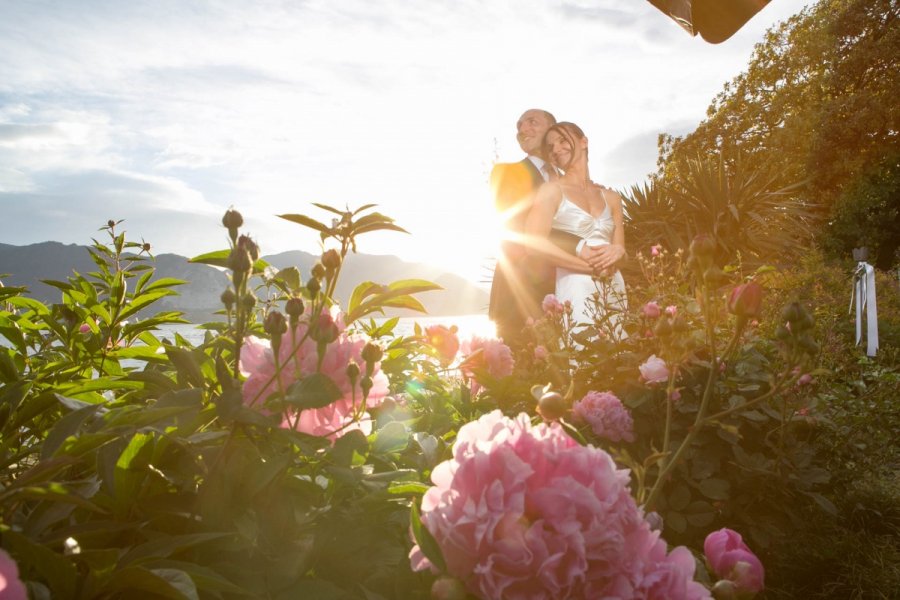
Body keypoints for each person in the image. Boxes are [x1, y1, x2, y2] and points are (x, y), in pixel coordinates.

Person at [489, 109, 605, 345]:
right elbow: (520, 227)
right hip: (520, 299)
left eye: (532, 122)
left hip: (569, 296)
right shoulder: (506, 173)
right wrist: (582, 250)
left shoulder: (571, 184)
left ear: (552, 129)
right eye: (519, 125)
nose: (522, 130)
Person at [525, 121, 627, 338]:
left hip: (615, 287)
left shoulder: (612, 198)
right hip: (576, 289)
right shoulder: (551, 191)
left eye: (563, 140)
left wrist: (618, 251)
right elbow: (533, 244)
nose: (557, 149)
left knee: (621, 356)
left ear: (584, 141)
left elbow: (623, 253)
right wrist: (588, 268)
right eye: (551, 146)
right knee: (585, 358)